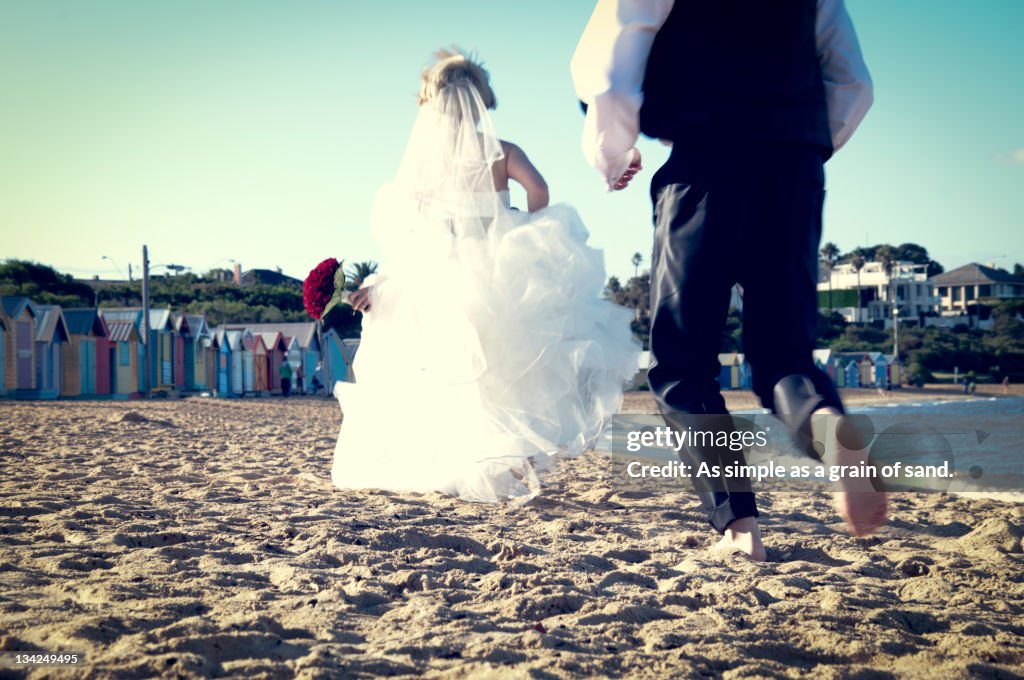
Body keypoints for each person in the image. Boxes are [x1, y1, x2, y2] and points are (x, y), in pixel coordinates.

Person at [572, 0, 879, 560]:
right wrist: (801, 145)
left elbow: (610, 58)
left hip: (706, 164)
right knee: (785, 359)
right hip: (795, 166)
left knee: (681, 367)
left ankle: (741, 530)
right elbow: (853, 82)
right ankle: (829, 431)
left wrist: (611, 151)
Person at [335, 49, 640, 503]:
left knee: (446, 372)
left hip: (440, 276)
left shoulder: (422, 169)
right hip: (498, 271)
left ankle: (455, 464)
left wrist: (381, 284)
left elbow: (410, 239)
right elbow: (540, 191)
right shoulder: (502, 151)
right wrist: (520, 229)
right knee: (504, 372)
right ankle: (502, 460)